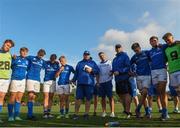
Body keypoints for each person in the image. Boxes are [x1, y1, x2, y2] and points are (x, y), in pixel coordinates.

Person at [72, 51, 99, 120]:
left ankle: (86, 114)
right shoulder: (79, 63)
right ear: (83, 55)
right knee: (78, 99)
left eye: (88, 54)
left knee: (88, 99)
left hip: (89, 83)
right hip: (80, 83)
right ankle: (76, 114)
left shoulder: (92, 63)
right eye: (85, 54)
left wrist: (91, 70)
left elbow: (98, 71)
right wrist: (73, 80)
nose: (86, 55)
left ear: (89, 55)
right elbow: (76, 73)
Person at [148, 36, 169, 120]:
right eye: (152, 41)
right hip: (153, 72)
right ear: (150, 43)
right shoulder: (149, 52)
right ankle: (163, 112)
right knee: (159, 93)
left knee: (163, 91)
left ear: (157, 41)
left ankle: (165, 113)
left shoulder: (163, 47)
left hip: (162, 70)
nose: (154, 42)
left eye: (155, 40)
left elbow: (171, 43)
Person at [130, 43, 151, 118]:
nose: (136, 50)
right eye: (134, 50)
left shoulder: (146, 52)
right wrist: (131, 72)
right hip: (138, 77)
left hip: (147, 75)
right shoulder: (134, 57)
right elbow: (129, 65)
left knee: (145, 93)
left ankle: (138, 109)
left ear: (140, 47)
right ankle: (147, 113)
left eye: (137, 48)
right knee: (143, 95)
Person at [8, 47, 29, 121]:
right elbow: (10, 66)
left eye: (26, 52)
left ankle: (17, 116)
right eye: (23, 52)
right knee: (12, 97)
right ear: (20, 52)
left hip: (23, 80)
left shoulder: (27, 61)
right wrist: (13, 57)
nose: (24, 53)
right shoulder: (15, 58)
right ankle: (10, 116)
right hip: (15, 79)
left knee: (19, 98)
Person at [162, 32, 180, 116]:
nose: (167, 42)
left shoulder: (178, 45)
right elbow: (166, 60)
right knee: (177, 92)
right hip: (172, 72)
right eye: (166, 41)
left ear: (172, 38)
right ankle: (176, 108)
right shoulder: (166, 49)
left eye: (168, 40)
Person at [112, 44, 131, 118]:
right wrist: (112, 71)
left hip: (124, 78)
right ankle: (125, 110)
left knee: (126, 94)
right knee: (120, 95)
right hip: (117, 79)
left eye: (119, 47)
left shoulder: (125, 56)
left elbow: (128, 67)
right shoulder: (114, 59)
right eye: (116, 47)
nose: (117, 49)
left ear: (121, 48)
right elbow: (114, 69)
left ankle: (128, 111)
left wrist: (119, 72)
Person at [26, 49, 46, 120]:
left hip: (37, 80)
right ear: (37, 53)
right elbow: (23, 57)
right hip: (30, 78)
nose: (41, 56)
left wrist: (55, 62)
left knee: (33, 97)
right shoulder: (31, 57)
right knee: (30, 96)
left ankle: (31, 113)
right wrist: (15, 56)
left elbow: (48, 65)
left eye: (42, 55)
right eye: (40, 54)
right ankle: (29, 115)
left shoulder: (42, 61)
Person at [96, 52, 115, 118]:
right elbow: (97, 74)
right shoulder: (98, 64)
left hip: (108, 81)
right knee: (103, 98)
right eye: (100, 56)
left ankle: (112, 112)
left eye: (103, 55)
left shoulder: (110, 62)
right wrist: (97, 82)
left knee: (110, 97)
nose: (102, 57)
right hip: (101, 82)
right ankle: (104, 112)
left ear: (105, 55)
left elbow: (113, 70)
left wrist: (111, 73)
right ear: (99, 57)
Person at [0, 39, 15, 123]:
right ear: (4, 43)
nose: (8, 47)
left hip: (6, 79)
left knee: (2, 96)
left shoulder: (10, 55)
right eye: (7, 45)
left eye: (10, 46)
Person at [43, 54, 59, 118]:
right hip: (46, 81)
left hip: (53, 81)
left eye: (54, 58)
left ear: (55, 59)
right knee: (46, 96)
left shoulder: (57, 64)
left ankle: (49, 112)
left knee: (51, 97)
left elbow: (57, 75)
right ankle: (45, 112)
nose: (53, 59)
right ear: (50, 58)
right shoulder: (46, 63)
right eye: (52, 58)